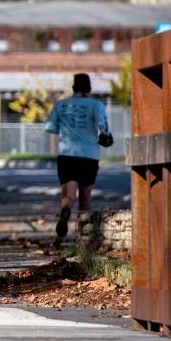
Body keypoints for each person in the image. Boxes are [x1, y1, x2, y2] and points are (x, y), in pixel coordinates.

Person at [44, 73, 111, 243]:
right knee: (85, 196)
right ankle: (83, 236)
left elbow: (50, 127)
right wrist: (106, 135)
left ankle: (65, 211)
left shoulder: (61, 105)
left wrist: (67, 129)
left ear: (73, 88)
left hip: (67, 155)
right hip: (89, 155)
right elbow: (102, 124)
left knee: (68, 194)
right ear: (89, 88)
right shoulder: (96, 105)